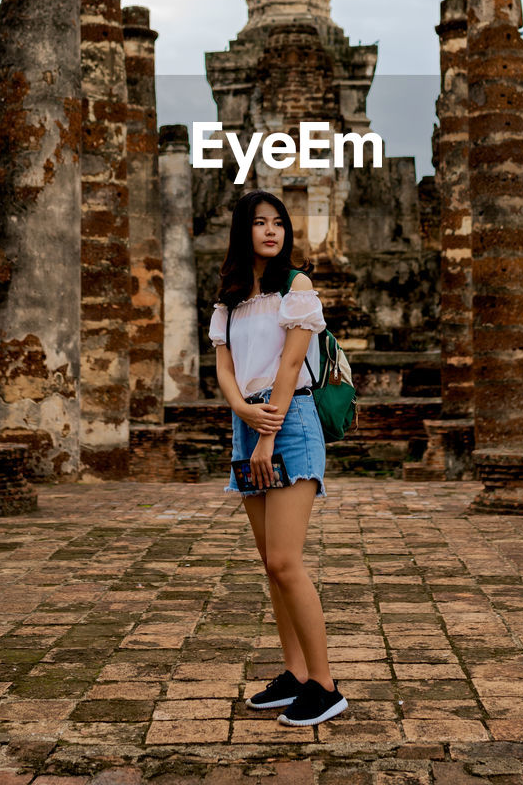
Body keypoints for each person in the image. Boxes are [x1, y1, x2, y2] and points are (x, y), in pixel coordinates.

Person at [209, 189, 348, 728]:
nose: (272, 231)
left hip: (289, 425)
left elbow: (291, 366)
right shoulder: (231, 298)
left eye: (279, 223)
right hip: (249, 425)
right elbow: (223, 367)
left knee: (288, 562)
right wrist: (244, 411)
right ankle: (295, 674)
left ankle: (326, 685)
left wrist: (267, 429)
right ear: (243, 230)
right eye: (260, 223)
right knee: (271, 566)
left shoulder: (298, 286)